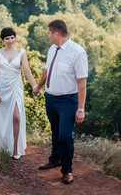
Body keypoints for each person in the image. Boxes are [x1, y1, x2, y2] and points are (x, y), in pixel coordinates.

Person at [33, 19, 88, 184]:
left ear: (56, 33)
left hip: (68, 101)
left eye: (49, 33)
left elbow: (82, 82)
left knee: (65, 137)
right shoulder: (52, 49)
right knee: (55, 132)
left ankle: (67, 170)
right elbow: (46, 70)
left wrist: (81, 109)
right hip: (50, 98)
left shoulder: (77, 52)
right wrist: (38, 86)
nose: (48, 36)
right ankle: (55, 158)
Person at [0, 27, 36, 159]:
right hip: (2, 89)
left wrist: (34, 86)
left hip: (16, 87)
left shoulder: (21, 52)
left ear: (15, 38)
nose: (10, 40)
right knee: (3, 118)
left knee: (16, 116)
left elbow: (26, 70)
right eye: (7, 38)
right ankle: (2, 146)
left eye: (12, 37)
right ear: (3, 40)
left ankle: (16, 148)